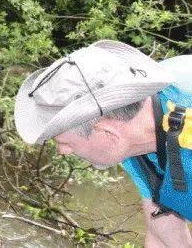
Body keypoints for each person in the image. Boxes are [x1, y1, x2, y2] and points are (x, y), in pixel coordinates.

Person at [14, 40, 192, 247]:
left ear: (107, 134)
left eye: (65, 142)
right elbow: (163, 236)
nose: (63, 151)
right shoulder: (133, 140)